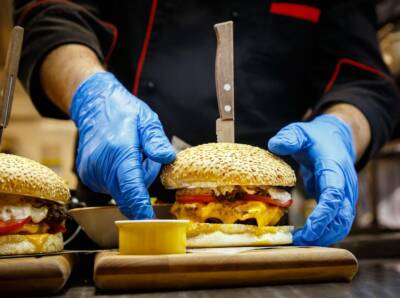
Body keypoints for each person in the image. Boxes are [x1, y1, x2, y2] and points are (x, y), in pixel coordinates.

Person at [14, 0, 399, 246]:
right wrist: (93, 94)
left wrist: (342, 130)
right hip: (116, 219)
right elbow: (51, 14)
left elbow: (363, 79)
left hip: (271, 225)